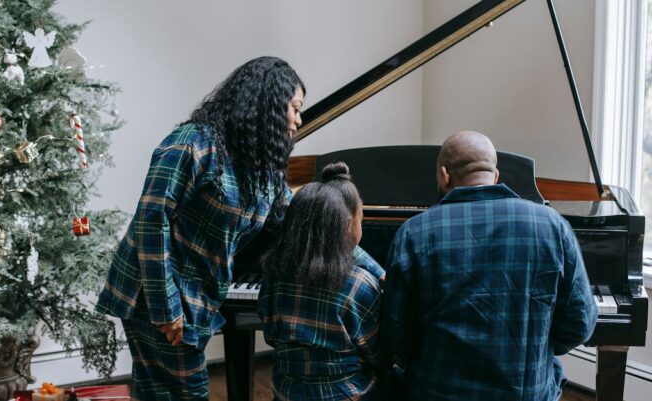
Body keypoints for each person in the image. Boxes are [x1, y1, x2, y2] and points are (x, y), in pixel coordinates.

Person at [95, 56, 306, 401]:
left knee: (160, 394)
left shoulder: (263, 165)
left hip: (197, 292)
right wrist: (166, 309)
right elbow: (151, 219)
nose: (299, 119)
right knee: (186, 393)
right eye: (294, 107)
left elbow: (298, 221)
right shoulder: (193, 142)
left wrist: (364, 263)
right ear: (268, 103)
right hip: (154, 292)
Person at [380, 131, 598, 401]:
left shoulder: (414, 232)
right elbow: (580, 324)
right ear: (495, 175)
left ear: (444, 175)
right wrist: (535, 349)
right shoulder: (553, 225)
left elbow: (395, 337)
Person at [258, 162, 384, 401]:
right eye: (361, 219)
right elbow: (377, 354)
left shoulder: (273, 275)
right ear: (348, 225)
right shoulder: (359, 284)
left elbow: (271, 337)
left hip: (287, 392)